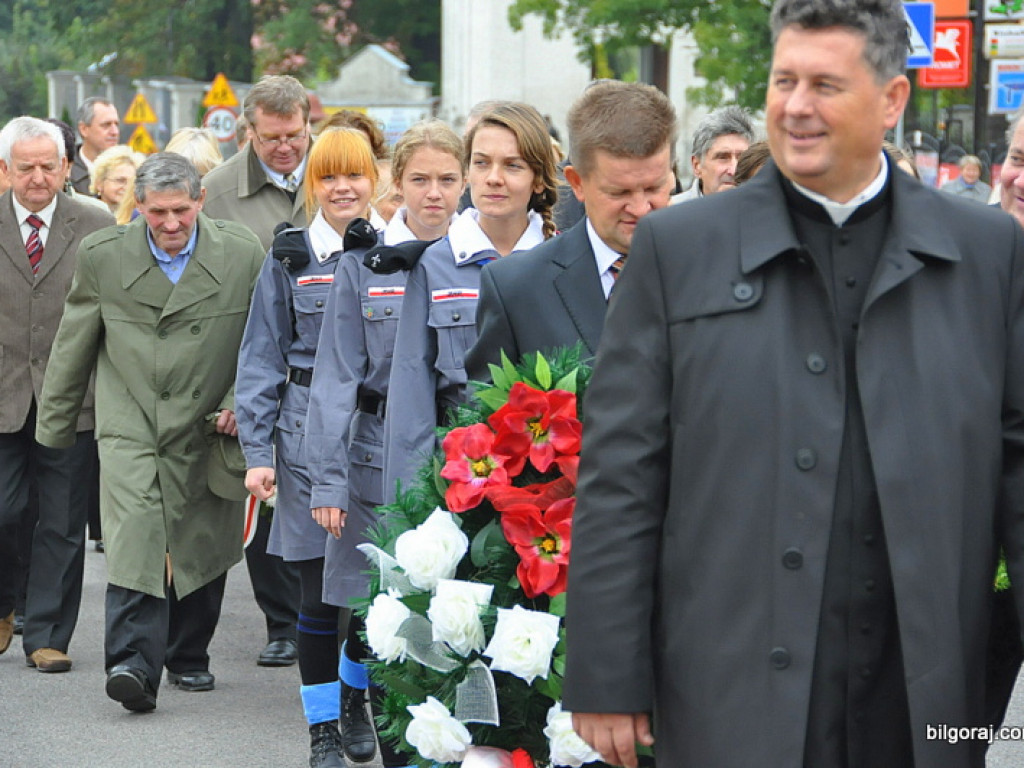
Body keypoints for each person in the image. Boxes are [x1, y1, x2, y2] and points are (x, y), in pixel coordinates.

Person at [564, 0, 1024, 766]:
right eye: (784, 81)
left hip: (926, 694)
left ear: (892, 100)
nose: (797, 107)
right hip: (730, 683)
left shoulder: (985, 253)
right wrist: (606, 672)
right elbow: (621, 473)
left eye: (825, 85)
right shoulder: (680, 249)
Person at [35, 153, 265, 711]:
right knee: (135, 538)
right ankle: (133, 665)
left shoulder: (241, 254)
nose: (169, 223)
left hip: (210, 424)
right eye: (157, 211)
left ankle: (188, 656)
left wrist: (241, 402)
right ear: (137, 206)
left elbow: (263, 341)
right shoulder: (103, 257)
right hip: (130, 422)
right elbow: (74, 342)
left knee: (203, 538)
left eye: (181, 210)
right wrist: (54, 429)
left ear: (201, 201)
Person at [306, 118, 466, 768]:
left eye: (448, 179)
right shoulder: (361, 267)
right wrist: (327, 480)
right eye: (420, 179)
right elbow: (335, 376)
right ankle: (363, 698)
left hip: (462, 468)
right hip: (377, 464)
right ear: (395, 184)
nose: (434, 193)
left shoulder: (477, 262)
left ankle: (405, 719)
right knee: (381, 607)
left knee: (447, 618)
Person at [237, 127, 379, 767]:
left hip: (376, 438)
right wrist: (258, 452)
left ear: (375, 179)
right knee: (318, 594)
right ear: (311, 186)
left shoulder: (401, 252)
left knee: (377, 591)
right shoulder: (290, 257)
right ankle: (321, 727)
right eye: (328, 177)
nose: (343, 188)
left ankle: (356, 694)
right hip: (300, 440)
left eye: (354, 175)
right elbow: (260, 356)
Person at [383, 102, 558, 503]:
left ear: (537, 180)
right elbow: (411, 399)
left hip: (549, 489)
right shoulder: (433, 266)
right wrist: (410, 510)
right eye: (481, 164)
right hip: (460, 485)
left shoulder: (564, 263)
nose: (494, 179)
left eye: (512, 166)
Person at [203, 74, 311, 667]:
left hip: (324, 360)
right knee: (266, 487)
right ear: (249, 131)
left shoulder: (333, 178)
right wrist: (230, 395)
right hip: (253, 360)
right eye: (271, 138)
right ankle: (282, 621)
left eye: (294, 134)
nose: (284, 147)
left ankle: (325, 613)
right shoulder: (216, 193)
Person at [465, 80, 677, 380]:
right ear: (576, 182)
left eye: (654, 188)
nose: (640, 208)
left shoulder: (713, 273)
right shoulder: (516, 289)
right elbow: (487, 417)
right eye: (619, 192)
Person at [0, 116, 113, 670]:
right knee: (5, 510)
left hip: (74, 398)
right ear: (5, 171)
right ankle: (3, 602)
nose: (39, 177)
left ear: (67, 167)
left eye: (49, 166)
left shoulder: (95, 223)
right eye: (27, 168)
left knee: (63, 524)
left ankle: (47, 636)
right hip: (1, 397)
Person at [671, 104, 755, 201]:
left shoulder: (766, 212)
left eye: (743, 158)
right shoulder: (670, 212)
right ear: (697, 166)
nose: (734, 170)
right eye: (723, 157)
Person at [70, 97, 120, 194]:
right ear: (84, 129)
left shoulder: (130, 172)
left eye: (116, 124)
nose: (115, 132)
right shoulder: (66, 174)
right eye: (106, 125)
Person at [89, 145, 141, 214]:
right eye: (120, 181)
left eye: (133, 182)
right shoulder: (86, 213)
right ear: (99, 183)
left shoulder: (142, 217)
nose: (127, 187)